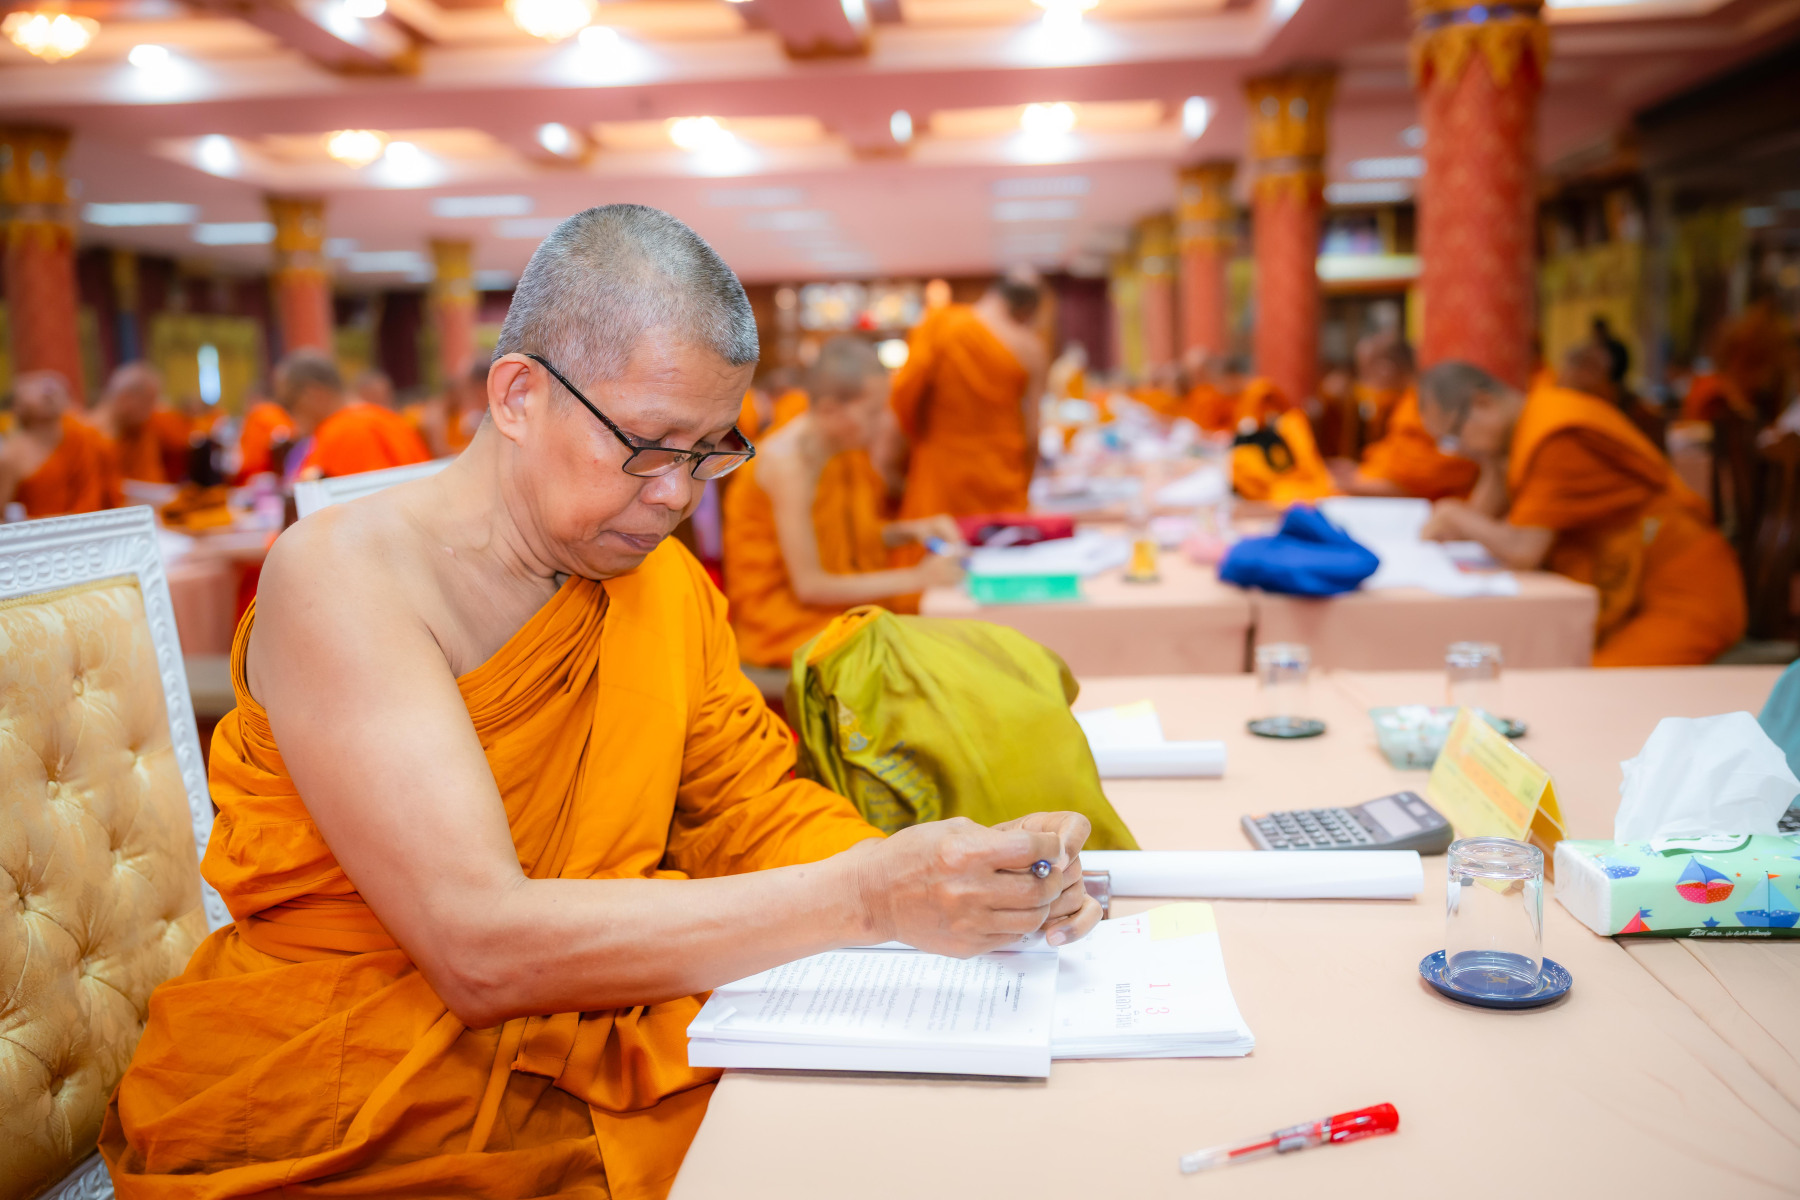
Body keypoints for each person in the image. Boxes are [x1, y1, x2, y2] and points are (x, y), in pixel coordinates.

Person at [101, 205, 1101, 1199]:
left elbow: (752, 810)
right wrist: (870, 897)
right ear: (518, 395)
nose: (678, 497)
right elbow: (477, 947)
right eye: (650, 445)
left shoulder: (658, 583)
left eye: (710, 451)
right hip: (352, 1098)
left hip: (604, 1041)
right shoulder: (344, 579)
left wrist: (966, 872)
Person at [1415, 361, 1745, 666]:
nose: (1460, 451)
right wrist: (1485, 471)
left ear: (1483, 403)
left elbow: (1523, 551)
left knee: (1591, 686)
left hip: (1684, 591)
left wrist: (1454, 514)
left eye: (1453, 437)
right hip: (1628, 588)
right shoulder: (1523, 429)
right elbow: (1481, 514)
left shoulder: (1553, 435)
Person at [723, 335, 965, 669]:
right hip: (785, 624)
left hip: (836, 614)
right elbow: (810, 586)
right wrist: (919, 578)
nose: (885, 422)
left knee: (947, 639)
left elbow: (846, 541)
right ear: (830, 410)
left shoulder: (841, 451)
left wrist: (913, 531)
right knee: (927, 658)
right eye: (873, 412)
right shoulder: (789, 465)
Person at [891, 266, 1046, 519]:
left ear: (992, 293)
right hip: (1000, 479)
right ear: (1026, 311)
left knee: (938, 541)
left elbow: (901, 402)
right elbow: (1032, 434)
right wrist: (1024, 485)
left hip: (941, 479)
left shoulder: (940, 325)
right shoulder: (1030, 347)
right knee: (1001, 541)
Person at [1331, 334, 1477, 501]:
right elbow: (1401, 462)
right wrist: (1360, 471)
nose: (1363, 382)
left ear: (1385, 369)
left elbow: (1432, 476)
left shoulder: (1427, 407)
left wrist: (1356, 486)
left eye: (1365, 372)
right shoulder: (1405, 400)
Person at [278, 350, 432, 481]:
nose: (289, 417)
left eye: (288, 404)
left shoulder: (341, 432)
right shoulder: (392, 420)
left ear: (312, 394)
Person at [0, 370, 122, 517]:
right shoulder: (10, 456)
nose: (47, 392)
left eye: (51, 386)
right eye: (33, 389)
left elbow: (108, 491)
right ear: (18, 406)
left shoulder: (83, 436)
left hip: (93, 525)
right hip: (40, 530)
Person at [88, 361, 193, 486]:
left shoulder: (142, 430)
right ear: (125, 398)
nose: (152, 411)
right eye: (148, 403)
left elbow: (152, 481)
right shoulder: (87, 435)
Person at [407, 361, 486, 458]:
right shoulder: (435, 413)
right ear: (454, 394)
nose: (469, 397)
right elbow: (440, 452)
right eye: (466, 392)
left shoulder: (456, 413)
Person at [233, 390, 296, 484]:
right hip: (275, 475)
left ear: (254, 399)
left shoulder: (259, 415)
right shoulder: (279, 414)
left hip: (256, 473)